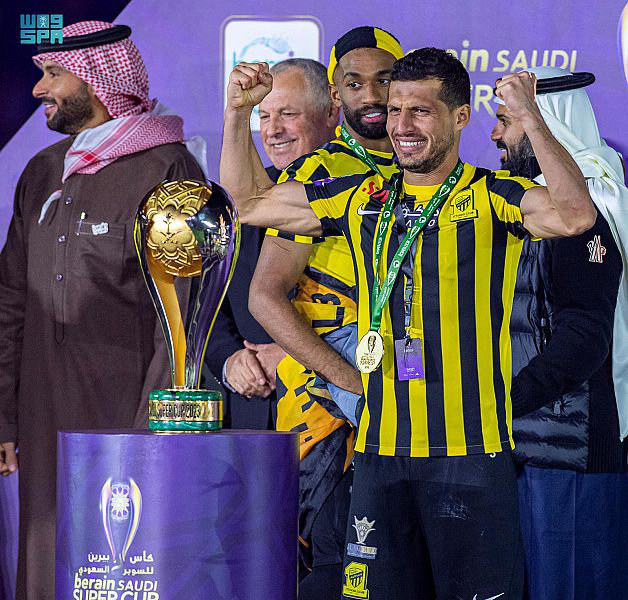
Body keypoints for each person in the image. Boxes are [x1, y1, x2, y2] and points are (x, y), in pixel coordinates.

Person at [221, 48, 596, 599]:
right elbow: (251, 202)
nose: (402, 126)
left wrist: (531, 118)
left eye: (420, 111)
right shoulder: (360, 196)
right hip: (380, 457)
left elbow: (576, 215)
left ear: (461, 117)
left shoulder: (493, 196)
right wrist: (237, 114)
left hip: (472, 455)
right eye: (396, 110)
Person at [0, 21, 205, 600]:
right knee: (45, 565)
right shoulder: (42, 170)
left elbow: (182, 316)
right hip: (42, 417)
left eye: (54, 75)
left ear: (97, 81)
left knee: (121, 569)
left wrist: (154, 429)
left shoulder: (168, 170)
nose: (39, 89)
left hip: (125, 419)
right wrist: (4, 417)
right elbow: (11, 298)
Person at [247, 27, 402, 598]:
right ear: (337, 97)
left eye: (386, 79)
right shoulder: (320, 173)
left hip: (409, 400)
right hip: (327, 410)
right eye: (355, 83)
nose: (373, 95)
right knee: (333, 564)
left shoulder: (425, 168)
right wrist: (348, 379)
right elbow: (264, 295)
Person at [491, 65, 628, 599]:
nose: (495, 135)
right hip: (534, 439)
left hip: (573, 447)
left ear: (543, 125)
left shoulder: (584, 210)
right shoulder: (536, 204)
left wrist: (502, 400)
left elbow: (584, 339)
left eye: (506, 121)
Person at [205, 58, 338, 428]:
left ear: (331, 113)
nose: (273, 130)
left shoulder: (363, 196)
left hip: (333, 412)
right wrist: (230, 359)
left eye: (288, 114)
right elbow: (206, 303)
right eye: (263, 116)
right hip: (250, 412)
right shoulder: (237, 202)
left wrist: (298, 356)